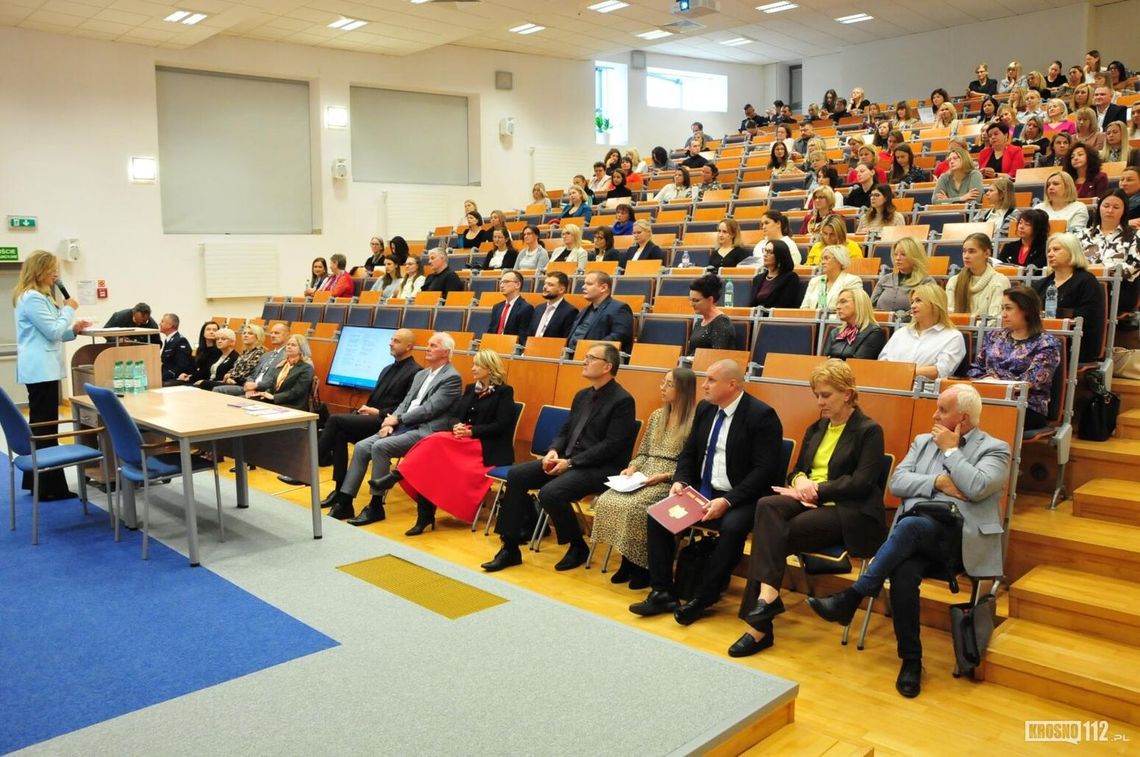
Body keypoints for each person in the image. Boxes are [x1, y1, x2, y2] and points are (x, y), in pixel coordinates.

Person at [809, 384, 1010, 698]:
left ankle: (854, 596)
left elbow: (977, 486)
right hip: (916, 539)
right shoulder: (922, 442)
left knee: (912, 524)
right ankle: (912, 661)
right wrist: (939, 482)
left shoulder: (996, 449)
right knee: (903, 572)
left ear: (964, 417)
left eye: (943, 410)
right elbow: (898, 483)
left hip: (960, 544)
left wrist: (952, 451)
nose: (934, 414)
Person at [729, 359, 886, 657]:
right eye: (816, 395)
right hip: (809, 501)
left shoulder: (869, 430)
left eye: (825, 395)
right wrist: (801, 480)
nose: (819, 402)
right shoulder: (816, 428)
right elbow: (797, 469)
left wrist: (817, 489)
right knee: (766, 507)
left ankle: (758, 626)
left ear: (847, 394)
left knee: (774, 534)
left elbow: (863, 482)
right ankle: (766, 605)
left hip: (849, 510)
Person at [629, 359, 783, 625]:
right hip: (703, 492)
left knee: (733, 528)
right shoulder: (705, 409)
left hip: (742, 497)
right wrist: (681, 480)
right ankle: (662, 591)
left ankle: (704, 597)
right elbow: (690, 452)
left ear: (732, 384)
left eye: (711, 380)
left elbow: (764, 472)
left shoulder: (762, 416)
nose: (704, 385)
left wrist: (727, 500)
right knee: (657, 516)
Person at [482, 343, 637, 573]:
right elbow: (566, 431)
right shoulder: (582, 395)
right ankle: (510, 547)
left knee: (551, 492)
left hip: (599, 468)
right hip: (568, 461)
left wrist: (571, 463)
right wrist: (553, 451)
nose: (584, 361)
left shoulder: (623, 400)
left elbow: (611, 446)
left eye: (590, 358)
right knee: (517, 475)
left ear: (607, 366)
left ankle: (577, 545)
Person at [326, 332, 462, 524]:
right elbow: (406, 402)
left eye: (433, 345)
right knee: (362, 447)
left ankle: (376, 505)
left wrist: (397, 420)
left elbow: (429, 410)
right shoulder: (422, 374)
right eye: (429, 344)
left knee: (380, 447)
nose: (428, 348)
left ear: (446, 352)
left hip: (425, 430)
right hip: (403, 424)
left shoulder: (452, 378)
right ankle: (345, 501)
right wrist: (389, 421)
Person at [376, 349, 517, 536]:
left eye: (477, 365)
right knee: (431, 455)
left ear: (489, 368)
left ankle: (398, 476)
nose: (472, 368)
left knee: (434, 441)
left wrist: (472, 431)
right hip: (462, 441)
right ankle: (424, 516)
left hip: (485, 446)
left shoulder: (504, 392)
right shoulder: (470, 389)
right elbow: (454, 416)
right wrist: (458, 425)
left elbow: (503, 425)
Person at [593, 368, 698, 590]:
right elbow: (642, 451)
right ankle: (626, 560)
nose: (662, 387)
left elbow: (693, 463)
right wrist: (632, 467)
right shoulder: (657, 416)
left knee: (637, 507)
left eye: (668, 384)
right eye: (663, 382)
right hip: (645, 472)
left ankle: (642, 567)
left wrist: (667, 476)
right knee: (609, 499)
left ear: (683, 389)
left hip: (671, 478)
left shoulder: (696, 420)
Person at [13, 250, 94, 500]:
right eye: (52, 270)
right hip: (40, 368)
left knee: (43, 424)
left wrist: (74, 331)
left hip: (43, 366)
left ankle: (38, 483)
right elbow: (52, 331)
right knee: (46, 427)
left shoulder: (39, 296)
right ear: (40, 271)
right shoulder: (32, 298)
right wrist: (69, 310)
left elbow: (54, 331)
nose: (55, 275)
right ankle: (49, 487)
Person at [317, 329, 421, 508]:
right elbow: (374, 399)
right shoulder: (387, 369)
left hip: (388, 423)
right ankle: (340, 490)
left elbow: (405, 407)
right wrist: (366, 410)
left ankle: (313, 461)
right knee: (339, 434)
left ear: (409, 346)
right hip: (372, 419)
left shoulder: (416, 372)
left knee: (334, 421)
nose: (390, 343)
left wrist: (376, 412)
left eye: (396, 341)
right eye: (391, 339)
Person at [969, 286, 1061, 429]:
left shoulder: (1046, 343)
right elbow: (976, 369)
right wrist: (986, 381)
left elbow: (1031, 381)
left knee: (979, 417)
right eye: (1002, 308)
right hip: (988, 397)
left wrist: (993, 380)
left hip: (1026, 406)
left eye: (1008, 308)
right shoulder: (994, 336)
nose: (1003, 314)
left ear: (1026, 310)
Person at [1032, 233, 1105, 363]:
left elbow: (1087, 318)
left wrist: (1054, 315)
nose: (1050, 254)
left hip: (1073, 343)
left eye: (1056, 249)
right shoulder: (1041, 284)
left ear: (1072, 252)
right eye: (1048, 250)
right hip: (1039, 340)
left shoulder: (1087, 281)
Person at [878, 284, 966, 379]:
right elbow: (882, 361)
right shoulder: (901, 333)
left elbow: (941, 370)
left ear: (935, 304)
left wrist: (902, 373)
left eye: (918, 301)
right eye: (912, 302)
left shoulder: (953, 336)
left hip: (925, 390)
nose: (912, 306)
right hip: (890, 385)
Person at [1078, 189, 1140, 314]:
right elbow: (1072, 261)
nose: (1110, 210)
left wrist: (1103, 269)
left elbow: (1134, 265)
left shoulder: (1134, 236)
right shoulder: (1082, 235)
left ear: (1124, 211)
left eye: (1116, 207)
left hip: (1119, 289)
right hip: (1083, 286)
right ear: (1098, 208)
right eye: (1106, 206)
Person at [213, 322, 288, 397]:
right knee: (217, 389)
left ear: (286, 335)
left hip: (263, 390)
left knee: (219, 391)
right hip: (250, 386)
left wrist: (256, 386)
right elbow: (253, 374)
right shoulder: (266, 355)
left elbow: (276, 379)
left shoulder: (286, 355)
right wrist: (249, 385)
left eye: (276, 333)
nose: (272, 335)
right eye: (271, 333)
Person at [566, 270, 634, 354]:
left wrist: (591, 348)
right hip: (572, 355)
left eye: (589, 284)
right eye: (584, 283)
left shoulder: (619, 308)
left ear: (603, 288)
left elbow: (620, 336)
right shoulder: (585, 309)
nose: (583, 287)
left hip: (597, 357)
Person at [948, 233, 1012, 318]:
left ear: (987, 253)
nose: (966, 256)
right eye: (964, 251)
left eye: (972, 251)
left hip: (985, 331)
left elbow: (995, 320)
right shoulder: (954, 281)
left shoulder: (1000, 281)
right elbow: (948, 315)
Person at [246, 333, 315, 411]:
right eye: (288, 344)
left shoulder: (306, 368)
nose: (289, 347)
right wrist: (264, 393)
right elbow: (273, 386)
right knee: (249, 401)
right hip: (275, 400)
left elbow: (297, 391)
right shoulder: (283, 364)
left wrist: (274, 397)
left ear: (302, 349)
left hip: (292, 404)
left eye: (293, 345)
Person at [872, 237, 934, 312]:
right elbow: (871, 307)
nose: (897, 258)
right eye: (895, 254)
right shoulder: (885, 279)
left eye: (903, 254)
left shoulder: (926, 282)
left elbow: (929, 311)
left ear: (915, 256)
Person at [823, 289, 886, 360]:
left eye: (843, 302)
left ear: (859, 303)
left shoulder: (874, 333)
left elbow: (858, 365)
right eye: (837, 303)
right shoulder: (835, 332)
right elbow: (824, 360)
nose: (838, 307)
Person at [199, 325, 264, 391]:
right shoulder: (244, 352)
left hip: (242, 384)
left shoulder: (259, 353)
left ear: (258, 336)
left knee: (204, 384)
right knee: (203, 384)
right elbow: (234, 368)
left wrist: (231, 377)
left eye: (250, 333)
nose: (246, 335)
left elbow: (248, 371)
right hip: (232, 381)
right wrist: (229, 376)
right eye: (244, 333)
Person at [801, 244, 862, 312]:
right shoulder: (815, 281)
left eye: (826, 258)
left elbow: (853, 309)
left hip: (839, 321)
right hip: (813, 321)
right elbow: (804, 308)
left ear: (839, 260)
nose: (822, 262)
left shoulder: (852, 281)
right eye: (821, 259)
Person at [687, 275, 736, 354]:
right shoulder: (699, 322)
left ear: (710, 300)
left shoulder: (721, 323)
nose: (691, 304)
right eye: (690, 300)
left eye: (696, 300)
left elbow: (719, 356)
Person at [528, 271, 579, 340]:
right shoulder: (538, 308)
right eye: (545, 284)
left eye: (550, 285)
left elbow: (566, 339)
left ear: (561, 289)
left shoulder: (570, 311)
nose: (544, 287)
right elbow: (529, 333)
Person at [750, 240, 801, 309]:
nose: (765, 254)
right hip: (757, 317)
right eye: (765, 250)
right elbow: (751, 304)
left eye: (769, 252)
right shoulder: (758, 279)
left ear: (780, 256)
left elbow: (786, 304)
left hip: (777, 318)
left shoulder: (790, 278)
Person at [485, 270, 534, 338]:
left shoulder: (526, 308)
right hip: (494, 344)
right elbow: (491, 331)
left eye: (506, 282)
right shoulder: (497, 307)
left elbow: (522, 337)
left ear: (517, 285)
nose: (501, 286)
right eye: (501, 282)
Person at [158, 313, 194, 383]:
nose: (159, 324)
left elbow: (182, 365)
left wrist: (164, 376)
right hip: (167, 377)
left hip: (176, 378)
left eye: (162, 321)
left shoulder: (180, 341)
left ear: (170, 325)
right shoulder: (169, 339)